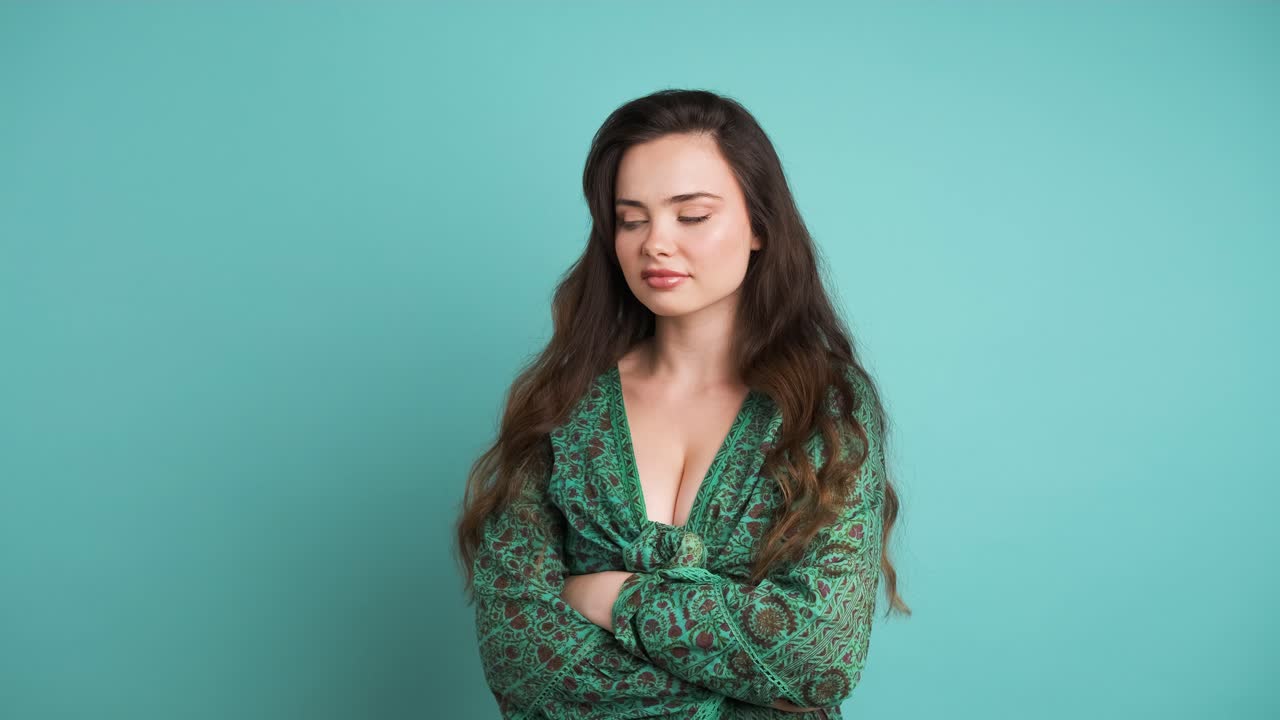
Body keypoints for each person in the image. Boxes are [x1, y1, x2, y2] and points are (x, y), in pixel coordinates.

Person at [455, 88, 909, 719]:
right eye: (631, 219)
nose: (654, 244)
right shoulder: (564, 401)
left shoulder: (822, 407)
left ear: (759, 225)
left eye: (691, 216)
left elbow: (820, 654)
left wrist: (616, 598)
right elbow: (519, 655)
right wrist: (735, 678)